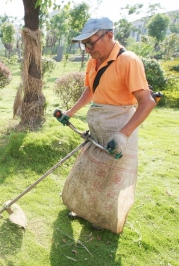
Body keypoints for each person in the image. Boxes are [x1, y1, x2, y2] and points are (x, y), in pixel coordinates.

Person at [56, 17, 156, 233]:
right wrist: (70, 113)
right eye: (85, 44)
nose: (88, 49)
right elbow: (91, 90)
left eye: (91, 42)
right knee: (88, 172)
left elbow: (147, 102)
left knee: (110, 181)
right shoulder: (94, 60)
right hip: (98, 125)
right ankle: (82, 209)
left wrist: (123, 135)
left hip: (120, 127)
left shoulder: (128, 61)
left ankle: (102, 220)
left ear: (109, 35)